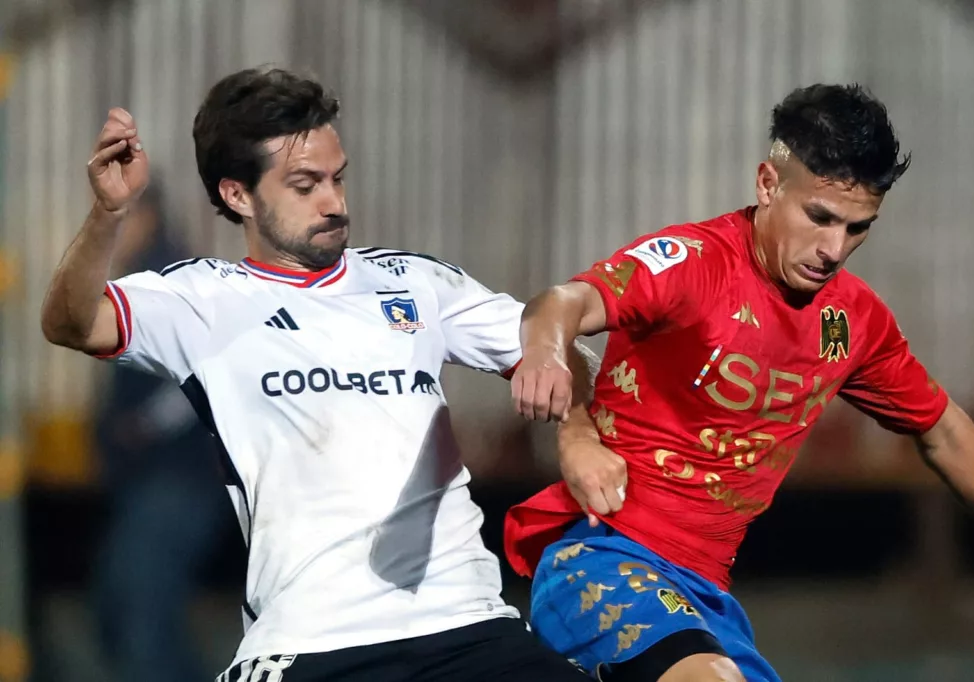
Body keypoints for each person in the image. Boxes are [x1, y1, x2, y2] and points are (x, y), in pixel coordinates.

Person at [40, 67, 594, 682]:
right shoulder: (199, 299)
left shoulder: (415, 282)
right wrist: (107, 216)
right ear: (238, 195)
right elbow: (71, 323)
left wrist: (578, 434)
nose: (334, 202)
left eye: (337, 178)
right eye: (305, 185)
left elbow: (553, 342)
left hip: (468, 627)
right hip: (312, 643)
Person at [504, 83, 974, 682]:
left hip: (703, 600)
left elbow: (944, 429)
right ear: (768, 185)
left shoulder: (851, 320)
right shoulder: (693, 263)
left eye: (858, 228)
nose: (833, 248)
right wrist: (546, 356)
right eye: (820, 217)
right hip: (600, 558)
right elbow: (563, 301)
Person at [91, 182, 233, 682]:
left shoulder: (168, 280)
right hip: (154, 484)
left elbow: (204, 372)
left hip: (175, 484)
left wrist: (142, 427)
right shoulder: (150, 277)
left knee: (142, 623)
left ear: (147, 216)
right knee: (128, 611)